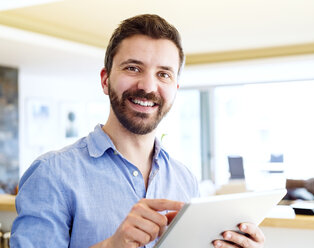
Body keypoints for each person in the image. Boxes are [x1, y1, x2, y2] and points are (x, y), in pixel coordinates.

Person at [10, 14, 265, 248]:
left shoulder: (184, 179)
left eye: (163, 74)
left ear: (175, 87)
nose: (148, 86)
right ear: (105, 80)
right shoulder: (52, 174)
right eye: (133, 68)